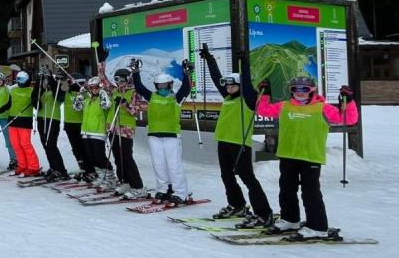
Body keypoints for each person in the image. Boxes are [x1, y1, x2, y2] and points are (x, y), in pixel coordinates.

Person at [254, 77, 358, 240]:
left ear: (312, 91)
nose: (299, 93)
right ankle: (290, 219)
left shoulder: (322, 108)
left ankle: (317, 226)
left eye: (304, 90)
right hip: (288, 154)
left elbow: (349, 119)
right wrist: (265, 94)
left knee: (310, 192)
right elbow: (263, 111)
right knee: (286, 188)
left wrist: (349, 101)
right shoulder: (285, 106)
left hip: (310, 156)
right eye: (296, 89)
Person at [198, 45, 273, 227]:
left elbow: (246, 85)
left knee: (247, 177)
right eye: (228, 85)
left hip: (240, 143)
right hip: (224, 141)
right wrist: (210, 59)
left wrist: (244, 63)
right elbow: (217, 79)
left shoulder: (247, 98)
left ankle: (264, 213)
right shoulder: (228, 97)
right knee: (226, 175)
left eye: (233, 85)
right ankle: (237, 204)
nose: (229, 87)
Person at [132, 58, 194, 204]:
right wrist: (135, 72)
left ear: (170, 84)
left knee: (174, 164)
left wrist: (186, 74)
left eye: (164, 85)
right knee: (158, 163)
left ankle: (180, 192)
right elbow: (139, 87)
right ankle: (163, 190)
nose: (162, 88)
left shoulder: (176, 98)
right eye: (159, 86)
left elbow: (186, 89)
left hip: (171, 135)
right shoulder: (151, 97)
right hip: (154, 135)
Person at [104, 67, 148, 197]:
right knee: (118, 158)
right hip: (113, 127)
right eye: (116, 79)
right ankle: (125, 181)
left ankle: (138, 186)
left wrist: (125, 104)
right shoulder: (115, 90)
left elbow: (135, 111)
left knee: (127, 157)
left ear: (127, 79)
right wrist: (101, 63)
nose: (119, 82)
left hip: (125, 129)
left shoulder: (133, 92)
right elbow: (104, 81)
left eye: (121, 79)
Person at [73, 76, 113, 182]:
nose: (94, 89)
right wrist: (79, 96)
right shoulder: (88, 99)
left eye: (96, 87)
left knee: (99, 157)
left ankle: (109, 178)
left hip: (98, 132)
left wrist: (103, 92)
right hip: (86, 132)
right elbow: (76, 108)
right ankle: (100, 177)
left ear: (100, 86)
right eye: (91, 87)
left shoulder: (103, 98)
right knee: (91, 157)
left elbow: (106, 105)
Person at [34, 73, 70, 181]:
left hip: (52, 119)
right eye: (44, 81)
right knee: (45, 145)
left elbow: (61, 96)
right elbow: (35, 98)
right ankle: (53, 166)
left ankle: (61, 170)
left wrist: (57, 82)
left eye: (47, 81)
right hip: (41, 118)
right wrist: (38, 84)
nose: (45, 83)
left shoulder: (56, 90)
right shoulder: (42, 91)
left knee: (51, 144)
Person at [6, 71, 41, 176]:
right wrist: (1, 109)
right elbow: (9, 104)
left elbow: (37, 105)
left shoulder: (31, 90)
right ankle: (22, 165)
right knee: (15, 144)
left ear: (27, 80)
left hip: (25, 121)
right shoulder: (14, 90)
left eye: (22, 79)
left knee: (25, 144)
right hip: (13, 120)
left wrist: (35, 100)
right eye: (18, 79)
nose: (19, 82)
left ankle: (33, 167)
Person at [62, 76, 93, 176]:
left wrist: (83, 91)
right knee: (76, 148)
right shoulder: (67, 92)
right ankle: (82, 168)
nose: (70, 84)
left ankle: (90, 169)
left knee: (84, 148)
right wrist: (64, 79)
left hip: (81, 125)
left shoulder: (85, 94)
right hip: (69, 125)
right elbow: (62, 88)